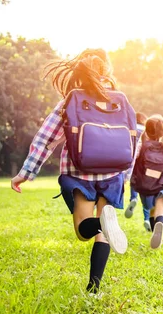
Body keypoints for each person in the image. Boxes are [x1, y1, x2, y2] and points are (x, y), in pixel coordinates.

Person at [10, 48, 133, 293]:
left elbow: (46, 139)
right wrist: (125, 175)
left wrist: (26, 172)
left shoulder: (71, 101)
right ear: (107, 69)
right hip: (112, 176)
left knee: (83, 231)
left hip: (80, 174)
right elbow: (132, 139)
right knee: (104, 233)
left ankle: (100, 225)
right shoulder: (119, 99)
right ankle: (94, 288)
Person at [130, 114, 163, 249]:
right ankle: (159, 225)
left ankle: (154, 231)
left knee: (150, 209)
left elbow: (133, 162)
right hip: (162, 185)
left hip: (145, 186)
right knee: (160, 208)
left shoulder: (141, 146)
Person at [124, 112, 152, 231]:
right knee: (146, 195)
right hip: (146, 168)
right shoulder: (147, 131)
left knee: (134, 183)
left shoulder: (130, 129)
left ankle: (133, 199)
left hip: (134, 165)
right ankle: (147, 219)